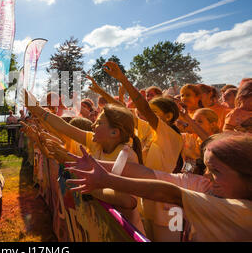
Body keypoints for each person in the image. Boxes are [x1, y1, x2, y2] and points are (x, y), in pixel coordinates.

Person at [65, 132, 252, 241]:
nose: (207, 176)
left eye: (216, 171)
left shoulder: (244, 214)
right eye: (207, 169)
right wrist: (91, 164)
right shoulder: (205, 185)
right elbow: (146, 174)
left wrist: (107, 180)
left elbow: (172, 194)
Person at [102, 61, 184, 241]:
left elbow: (142, 107)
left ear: (168, 116)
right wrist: (101, 92)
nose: (147, 115)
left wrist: (124, 80)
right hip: (147, 199)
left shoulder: (173, 136)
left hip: (170, 206)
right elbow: (124, 112)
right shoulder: (149, 131)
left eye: (155, 112)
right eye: (150, 112)